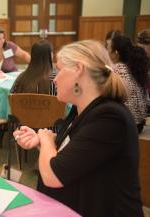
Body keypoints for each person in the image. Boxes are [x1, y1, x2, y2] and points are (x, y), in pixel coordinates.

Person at [13, 40, 144, 217]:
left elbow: (53, 176)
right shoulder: (80, 109)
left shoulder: (111, 118)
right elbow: (70, 156)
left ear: (78, 70)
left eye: (59, 70)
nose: (55, 78)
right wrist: (40, 141)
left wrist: (45, 138)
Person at [106, 34, 149, 133]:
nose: (106, 52)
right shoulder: (135, 68)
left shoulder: (116, 70)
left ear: (116, 53)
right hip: (139, 125)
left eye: (108, 49)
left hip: (124, 126)